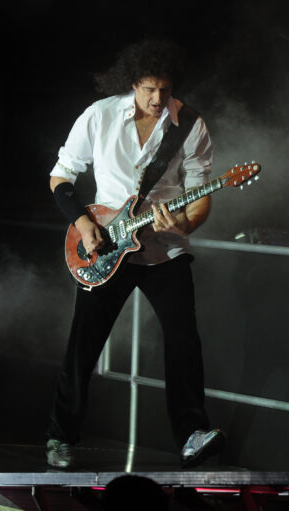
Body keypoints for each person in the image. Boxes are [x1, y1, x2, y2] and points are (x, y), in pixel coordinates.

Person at [46, 38, 224, 470]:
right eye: (149, 89)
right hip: (106, 247)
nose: (157, 99)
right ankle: (61, 436)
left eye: (165, 89)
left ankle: (192, 435)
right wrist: (84, 225)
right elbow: (61, 176)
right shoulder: (100, 115)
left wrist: (184, 225)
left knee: (184, 342)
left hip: (165, 251)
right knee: (83, 345)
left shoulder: (191, 125)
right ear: (132, 83)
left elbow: (199, 195)